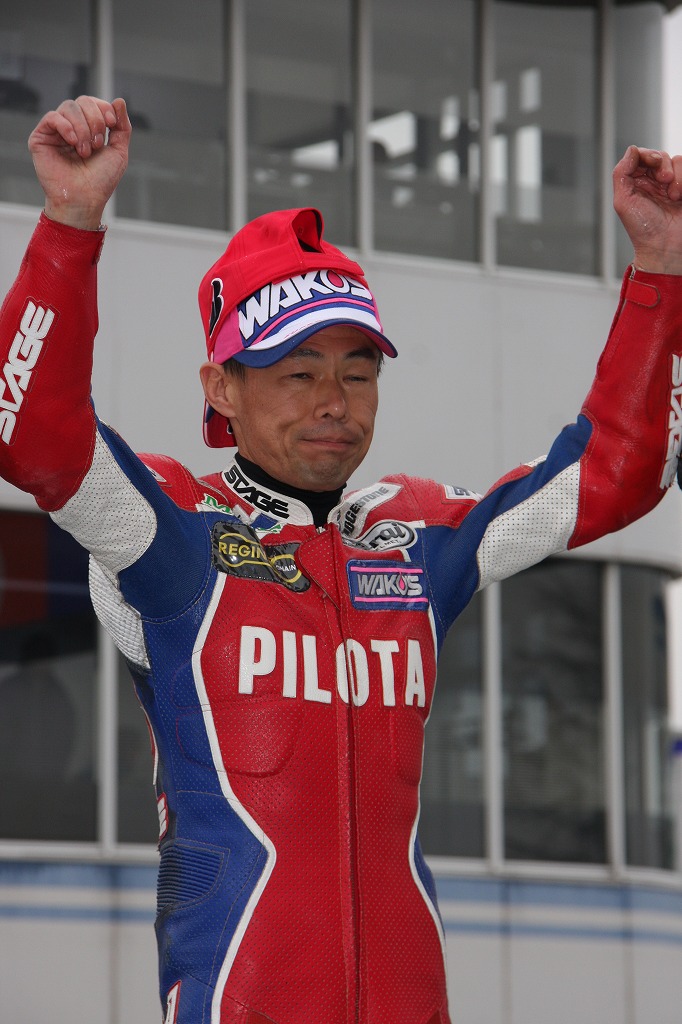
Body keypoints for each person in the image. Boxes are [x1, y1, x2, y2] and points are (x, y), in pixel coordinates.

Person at [1, 95, 682, 1024]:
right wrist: (71, 220)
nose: (334, 400)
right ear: (221, 388)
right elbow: (32, 437)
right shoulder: (170, 527)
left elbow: (615, 474)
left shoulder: (420, 536)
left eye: (358, 372)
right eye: (297, 372)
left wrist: (659, 265)